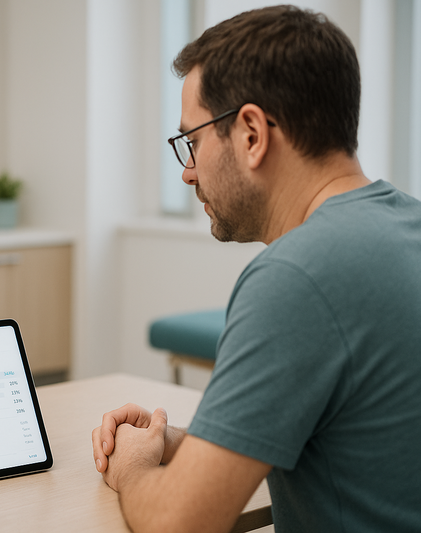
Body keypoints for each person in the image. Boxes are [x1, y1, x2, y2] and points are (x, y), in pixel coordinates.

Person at [92, 5, 421, 532]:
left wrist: (133, 467)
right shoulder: (408, 226)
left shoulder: (296, 276)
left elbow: (175, 524)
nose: (188, 173)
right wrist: (187, 444)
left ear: (250, 134)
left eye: (192, 142)